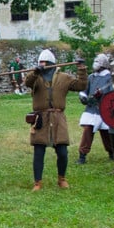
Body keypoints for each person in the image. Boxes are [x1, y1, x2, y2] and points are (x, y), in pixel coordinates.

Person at [25, 49, 88, 191]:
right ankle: (37, 182)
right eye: (40, 62)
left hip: (58, 118)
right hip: (41, 118)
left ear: (52, 64)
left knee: (62, 152)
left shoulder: (64, 77)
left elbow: (81, 85)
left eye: (45, 63)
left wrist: (81, 69)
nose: (42, 65)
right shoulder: (35, 78)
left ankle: (62, 179)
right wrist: (36, 72)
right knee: (39, 151)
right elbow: (27, 82)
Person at [77, 53, 113, 164]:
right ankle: (82, 155)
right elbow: (84, 90)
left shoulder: (110, 78)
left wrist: (101, 95)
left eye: (98, 62)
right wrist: (83, 97)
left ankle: (112, 152)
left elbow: (112, 94)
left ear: (103, 64)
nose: (95, 64)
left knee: (106, 133)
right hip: (91, 108)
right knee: (87, 130)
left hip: (104, 110)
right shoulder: (91, 77)